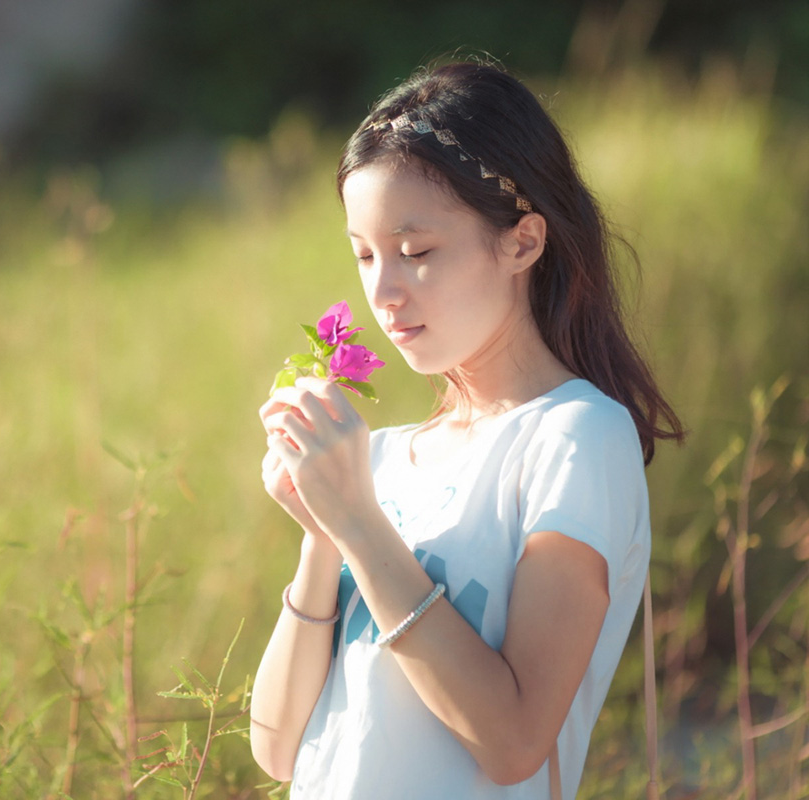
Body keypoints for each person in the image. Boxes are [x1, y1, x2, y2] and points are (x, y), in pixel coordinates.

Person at [250, 60, 685, 800]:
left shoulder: (577, 438)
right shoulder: (380, 460)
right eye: (364, 254)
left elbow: (513, 742)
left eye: (416, 253)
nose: (383, 292)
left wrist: (358, 522)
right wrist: (322, 532)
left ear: (522, 242)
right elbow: (278, 749)